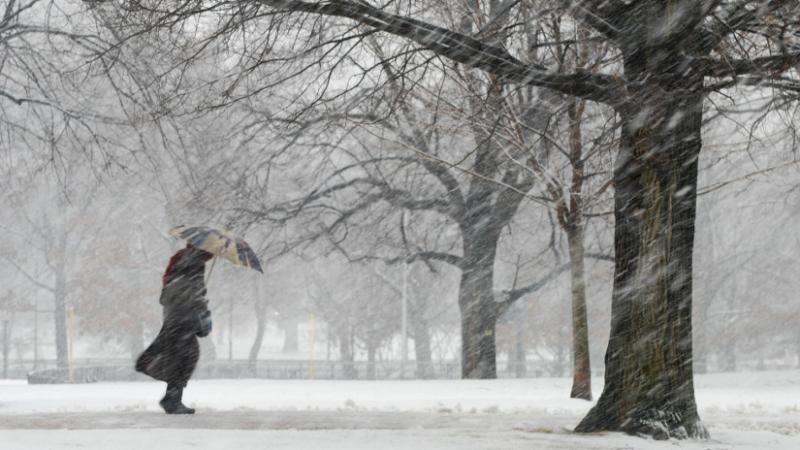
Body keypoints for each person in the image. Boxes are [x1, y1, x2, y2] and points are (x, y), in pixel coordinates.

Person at [136, 244, 214, 414]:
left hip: (175, 316)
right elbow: (192, 292)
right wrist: (200, 301)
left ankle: (171, 398)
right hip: (183, 318)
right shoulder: (194, 263)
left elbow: (172, 291)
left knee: (180, 358)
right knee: (184, 358)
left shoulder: (182, 260)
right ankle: (171, 399)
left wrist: (197, 296)